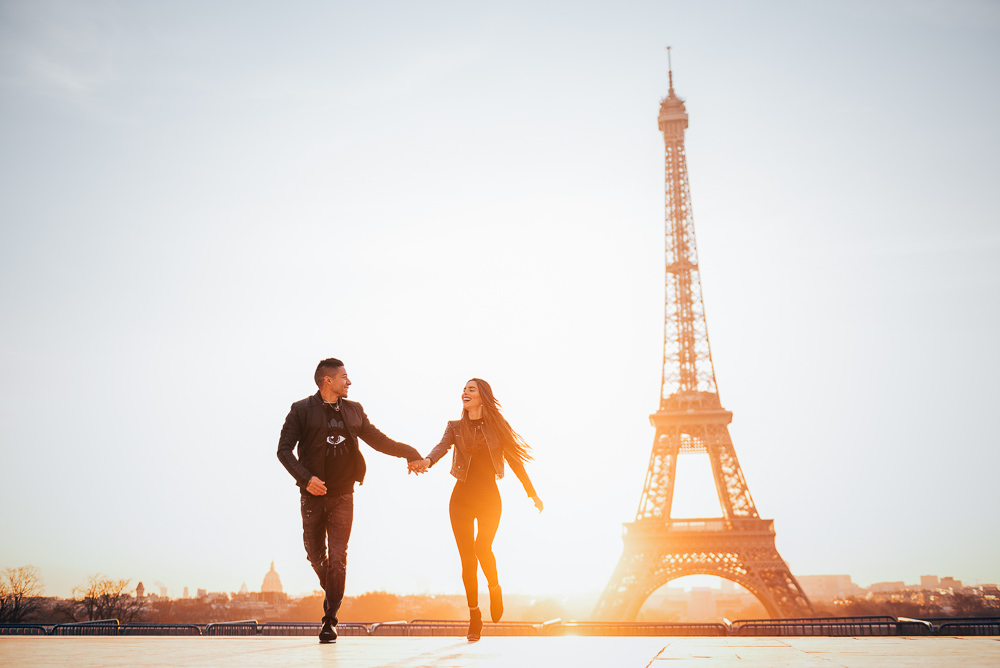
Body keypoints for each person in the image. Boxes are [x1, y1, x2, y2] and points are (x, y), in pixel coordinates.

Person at [277, 357, 427, 644]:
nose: (349, 381)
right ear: (327, 380)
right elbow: (283, 450)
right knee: (315, 555)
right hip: (312, 496)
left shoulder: (354, 410)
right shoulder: (300, 410)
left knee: (338, 559)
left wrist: (410, 452)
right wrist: (306, 479)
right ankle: (333, 587)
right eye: (344, 376)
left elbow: (379, 440)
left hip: (344, 495)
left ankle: (329, 621)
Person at [414, 378, 543, 641]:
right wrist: (427, 460)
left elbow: (515, 461)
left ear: (483, 396)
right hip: (460, 499)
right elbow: (442, 447)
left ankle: (494, 588)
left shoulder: (498, 427)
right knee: (467, 561)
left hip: (489, 499)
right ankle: (475, 616)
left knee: (483, 548)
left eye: (471, 389)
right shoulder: (455, 427)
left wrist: (532, 493)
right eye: (464, 389)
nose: (465, 392)